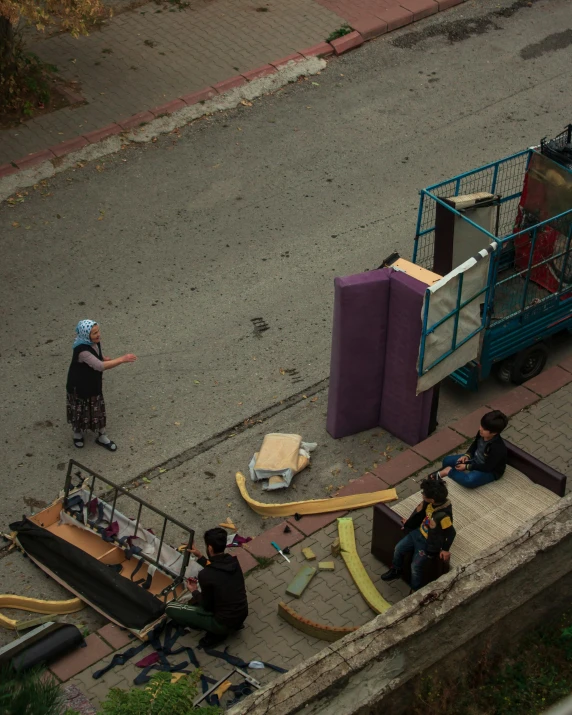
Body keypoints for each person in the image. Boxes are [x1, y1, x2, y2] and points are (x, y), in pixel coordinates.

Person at [166, 527, 248, 648]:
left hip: (223, 623)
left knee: (170, 607)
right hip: (241, 615)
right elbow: (217, 567)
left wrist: (194, 591)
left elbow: (206, 606)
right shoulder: (232, 561)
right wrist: (200, 557)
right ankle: (225, 628)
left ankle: (217, 632)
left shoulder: (206, 575)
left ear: (209, 548)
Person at [66, 319, 137, 451]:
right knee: (79, 410)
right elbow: (99, 366)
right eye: (94, 333)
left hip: (92, 385)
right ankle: (77, 434)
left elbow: (98, 355)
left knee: (97, 410)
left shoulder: (93, 342)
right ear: (86, 335)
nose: (98, 335)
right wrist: (122, 359)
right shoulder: (82, 350)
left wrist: (103, 357)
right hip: (79, 387)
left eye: (97, 331)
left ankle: (102, 435)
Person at [380, 475, 455, 592]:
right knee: (398, 549)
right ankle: (396, 570)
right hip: (417, 533)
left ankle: (415, 590)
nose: (422, 494)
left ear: (432, 499)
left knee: (415, 567)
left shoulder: (444, 516)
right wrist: (409, 523)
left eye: (424, 493)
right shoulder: (428, 504)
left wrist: (445, 549)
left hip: (427, 543)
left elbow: (451, 533)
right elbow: (418, 513)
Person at [436, 410, 509, 489]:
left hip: (489, 470)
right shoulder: (481, 433)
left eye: (484, 429)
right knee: (447, 460)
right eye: (481, 425)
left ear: (494, 433)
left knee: (469, 481)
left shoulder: (497, 448)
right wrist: (467, 455)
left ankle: (449, 471)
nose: (480, 429)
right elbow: (475, 445)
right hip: (475, 458)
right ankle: (448, 475)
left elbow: (487, 467)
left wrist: (467, 467)